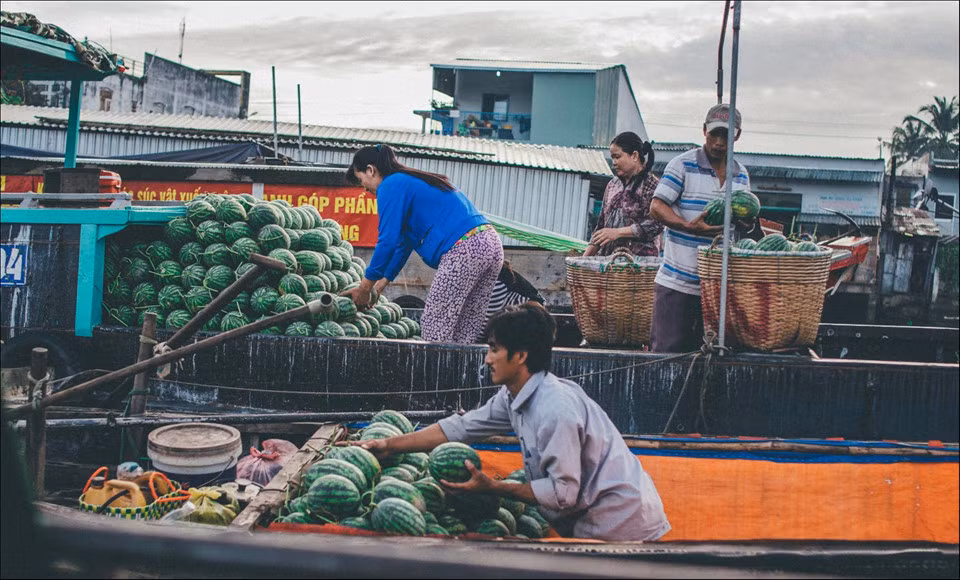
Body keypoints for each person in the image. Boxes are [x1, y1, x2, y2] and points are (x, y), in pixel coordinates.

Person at [348, 302, 671, 542]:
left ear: (521, 356)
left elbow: (563, 494)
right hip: (594, 521)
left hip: (622, 527)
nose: (487, 358)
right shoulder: (515, 394)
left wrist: (495, 488)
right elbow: (461, 428)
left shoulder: (555, 410)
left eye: (494, 349)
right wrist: (388, 444)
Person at [343, 144, 503, 344]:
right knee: (465, 329)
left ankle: (440, 375)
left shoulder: (390, 184)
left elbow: (388, 241)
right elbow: (403, 243)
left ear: (371, 170)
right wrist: (381, 284)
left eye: (361, 180)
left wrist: (365, 288)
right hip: (490, 243)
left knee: (434, 324)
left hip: (465, 249)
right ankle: (461, 375)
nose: (365, 189)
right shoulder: (411, 180)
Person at [648, 103, 756, 353]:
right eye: (714, 134)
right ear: (704, 130)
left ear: (737, 135)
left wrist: (747, 221)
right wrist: (688, 226)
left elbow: (744, 221)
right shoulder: (682, 165)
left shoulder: (741, 176)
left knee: (713, 363)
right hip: (678, 284)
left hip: (718, 289)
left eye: (726, 136)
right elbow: (656, 207)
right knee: (667, 359)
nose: (719, 142)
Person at [584, 132, 663, 257]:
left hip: (639, 266)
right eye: (612, 157)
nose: (613, 162)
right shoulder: (612, 185)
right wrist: (584, 260)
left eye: (617, 156)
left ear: (635, 156)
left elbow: (657, 225)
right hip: (609, 262)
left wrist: (617, 233)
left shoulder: (652, 185)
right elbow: (601, 227)